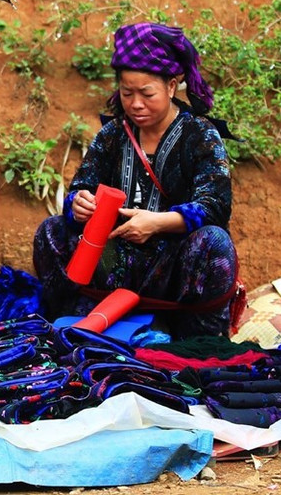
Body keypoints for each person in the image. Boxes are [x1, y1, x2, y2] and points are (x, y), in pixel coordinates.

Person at [33, 22, 242, 339]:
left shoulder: (200, 135)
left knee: (214, 242)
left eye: (147, 93)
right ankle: (76, 319)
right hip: (116, 262)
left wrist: (158, 223)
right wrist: (78, 204)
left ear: (172, 86)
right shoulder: (114, 134)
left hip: (172, 268)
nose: (136, 104)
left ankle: (194, 338)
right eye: (127, 93)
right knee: (50, 231)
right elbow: (79, 189)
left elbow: (214, 206)